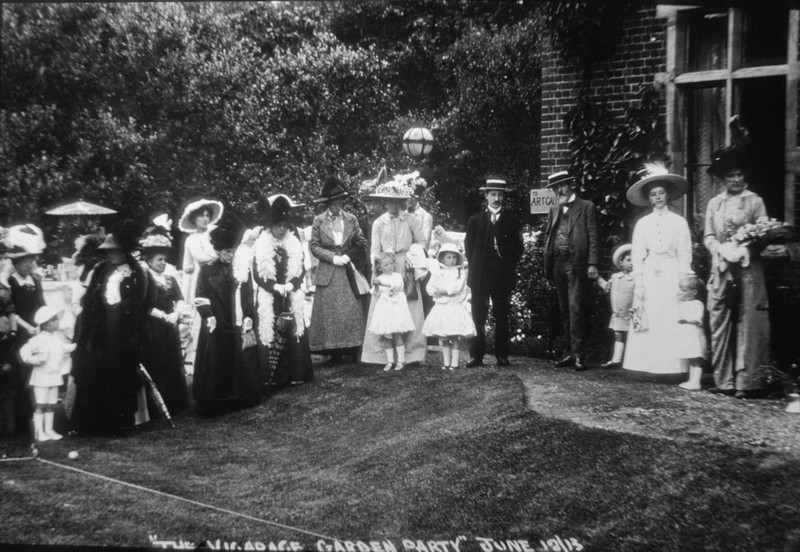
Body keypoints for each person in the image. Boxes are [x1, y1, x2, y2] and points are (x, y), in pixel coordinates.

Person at [71, 220, 152, 436]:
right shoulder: (99, 270)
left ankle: (119, 422)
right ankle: (93, 423)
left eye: (115, 251)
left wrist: (124, 312)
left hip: (124, 333)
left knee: (121, 376)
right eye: (108, 252)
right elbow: (89, 300)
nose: (111, 256)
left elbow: (143, 302)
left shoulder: (138, 273)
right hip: (100, 330)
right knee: (95, 374)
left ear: (124, 251)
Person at [703, 147, 771, 398]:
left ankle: (748, 382)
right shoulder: (714, 204)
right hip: (722, 268)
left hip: (747, 268)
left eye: (739, 174)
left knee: (748, 322)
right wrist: (719, 248)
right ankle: (724, 381)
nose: (736, 179)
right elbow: (708, 235)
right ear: (723, 178)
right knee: (719, 320)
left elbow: (763, 233)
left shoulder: (755, 201)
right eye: (731, 175)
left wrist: (746, 248)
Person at [622, 164, 693, 375]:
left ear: (668, 195)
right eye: (653, 194)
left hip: (672, 272)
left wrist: (685, 279)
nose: (658, 197)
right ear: (649, 198)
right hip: (652, 272)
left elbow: (684, 253)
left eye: (661, 192)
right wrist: (640, 283)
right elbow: (637, 255)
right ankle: (651, 366)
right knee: (653, 317)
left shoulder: (679, 222)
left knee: (670, 317)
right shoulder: (643, 224)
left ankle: (673, 368)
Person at [193, 217, 260, 414]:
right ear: (219, 251)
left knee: (240, 356)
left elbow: (248, 294)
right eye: (226, 252)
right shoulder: (207, 270)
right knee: (217, 358)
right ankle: (218, 400)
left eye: (232, 251)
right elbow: (200, 295)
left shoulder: (241, 268)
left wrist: (249, 315)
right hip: (218, 320)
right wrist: (208, 315)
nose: (230, 255)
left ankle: (241, 396)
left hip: (237, 319)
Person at [360, 178, 428, 366]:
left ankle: (412, 353)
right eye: (389, 201)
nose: (393, 205)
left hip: (406, 266)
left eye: (397, 202)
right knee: (384, 306)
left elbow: (422, 242)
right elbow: (374, 249)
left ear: (402, 202)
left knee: (409, 305)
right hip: (385, 265)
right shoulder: (379, 223)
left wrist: (412, 256)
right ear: (384, 202)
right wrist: (378, 267)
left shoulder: (411, 220)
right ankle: (381, 354)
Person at [250, 196, 313, 388]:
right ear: (270, 226)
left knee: (293, 330)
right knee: (270, 330)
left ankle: (295, 372)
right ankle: (272, 375)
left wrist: (292, 284)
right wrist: (273, 286)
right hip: (270, 296)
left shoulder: (293, 245)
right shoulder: (261, 246)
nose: (282, 229)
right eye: (278, 225)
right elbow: (257, 274)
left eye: (285, 225)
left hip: (290, 295)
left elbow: (301, 269)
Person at [308, 176, 368, 365]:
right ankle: (332, 352)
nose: (336, 205)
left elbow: (361, 242)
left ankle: (351, 349)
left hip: (348, 270)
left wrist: (348, 255)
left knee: (350, 309)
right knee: (329, 312)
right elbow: (314, 246)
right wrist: (332, 257)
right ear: (327, 203)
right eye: (332, 203)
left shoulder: (351, 219)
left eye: (339, 202)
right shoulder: (318, 221)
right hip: (328, 270)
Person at [542, 171, 599, 370]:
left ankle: (579, 355)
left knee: (576, 308)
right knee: (564, 309)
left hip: (576, 264)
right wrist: (547, 262)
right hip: (558, 263)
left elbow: (593, 236)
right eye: (555, 188)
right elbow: (549, 236)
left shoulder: (586, 207)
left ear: (570, 185)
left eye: (562, 186)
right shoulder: (554, 209)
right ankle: (568, 352)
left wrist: (592, 263)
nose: (559, 190)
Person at [465, 175, 524, 368]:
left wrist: (508, 265)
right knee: (478, 315)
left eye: (500, 194)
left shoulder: (512, 220)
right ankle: (477, 355)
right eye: (493, 194)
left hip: (502, 276)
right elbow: (469, 248)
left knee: (501, 315)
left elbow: (518, 248)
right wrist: (477, 266)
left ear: (503, 197)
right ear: (486, 196)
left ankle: (502, 354)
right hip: (480, 276)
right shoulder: (475, 220)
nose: (496, 198)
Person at [139, 229, 190, 416]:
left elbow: (180, 298)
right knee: (158, 361)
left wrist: (176, 313)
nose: (163, 263)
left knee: (172, 361)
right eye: (159, 260)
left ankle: (176, 402)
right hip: (155, 326)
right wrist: (163, 316)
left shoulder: (170, 278)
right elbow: (144, 305)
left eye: (164, 259)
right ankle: (158, 405)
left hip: (171, 325)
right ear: (150, 261)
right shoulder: (145, 280)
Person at [178, 198, 223, 374]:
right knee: (200, 314)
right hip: (200, 279)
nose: (205, 219)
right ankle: (198, 357)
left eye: (207, 215)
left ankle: (217, 355)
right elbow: (196, 258)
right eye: (201, 216)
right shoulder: (191, 239)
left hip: (217, 276)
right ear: (194, 219)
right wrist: (216, 254)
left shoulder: (214, 233)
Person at [19, 306, 75, 442]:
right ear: (45, 324)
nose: (57, 322)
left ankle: (49, 430)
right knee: (41, 405)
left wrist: (78, 345)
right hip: (41, 377)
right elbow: (24, 352)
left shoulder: (56, 339)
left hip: (54, 376)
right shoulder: (37, 339)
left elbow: (65, 348)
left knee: (51, 405)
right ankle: (39, 431)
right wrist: (36, 360)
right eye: (54, 320)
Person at [422, 243, 475, 370]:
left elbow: (458, 287)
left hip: (453, 306)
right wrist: (435, 292)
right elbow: (430, 287)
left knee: (454, 334)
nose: (452, 260)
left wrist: (444, 291)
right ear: (442, 258)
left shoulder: (459, 271)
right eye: (449, 257)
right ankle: (446, 363)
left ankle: (455, 363)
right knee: (444, 335)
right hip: (441, 307)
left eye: (454, 257)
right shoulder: (437, 271)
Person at [368, 252, 416, 371]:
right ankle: (389, 361)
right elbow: (376, 293)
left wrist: (381, 283)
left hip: (396, 309)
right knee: (386, 337)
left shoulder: (397, 276)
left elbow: (397, 286)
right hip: (385, 309)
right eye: (386, 265)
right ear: (379, 267)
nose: (390, 266)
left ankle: (401, 360)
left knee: (397, 334)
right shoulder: (378, 279)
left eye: (391, 263)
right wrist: (377, 285)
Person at [596, 244, 635, 369]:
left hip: (632, 314)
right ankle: (616, 359)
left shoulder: (637, 278)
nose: (632, 263)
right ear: (621, 262)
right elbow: (607, 287)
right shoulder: (615, 277)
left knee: (632, 336)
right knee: (618, 334)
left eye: (634, 259)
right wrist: (597, 278)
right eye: (629, 260)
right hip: (618, 313)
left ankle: (631, 362)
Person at [675, 274, 708, 391]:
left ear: (694, 292)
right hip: (687, 336)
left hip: (694, 336)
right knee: (690, 359)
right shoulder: (685, 303)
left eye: (684, 290)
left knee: (696, 360)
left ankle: (696, 382)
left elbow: (697, 319)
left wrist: (686, 320)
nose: (681, 293)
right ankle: (692, 380)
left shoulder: (697, 304)